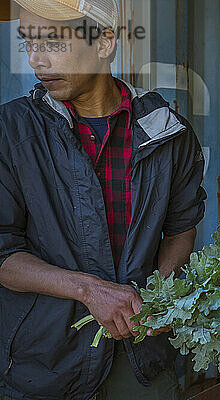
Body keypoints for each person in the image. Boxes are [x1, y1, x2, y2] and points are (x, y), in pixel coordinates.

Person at [0, 0, 207, 399]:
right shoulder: (12, 132)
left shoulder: (167, 132)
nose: (37, 61)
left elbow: (182, 229)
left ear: (105, 42)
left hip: (142, 357)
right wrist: (88, 290)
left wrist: (156, 296)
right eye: (28, 42)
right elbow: (2, 253)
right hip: (42, 363)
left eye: (53, 42)